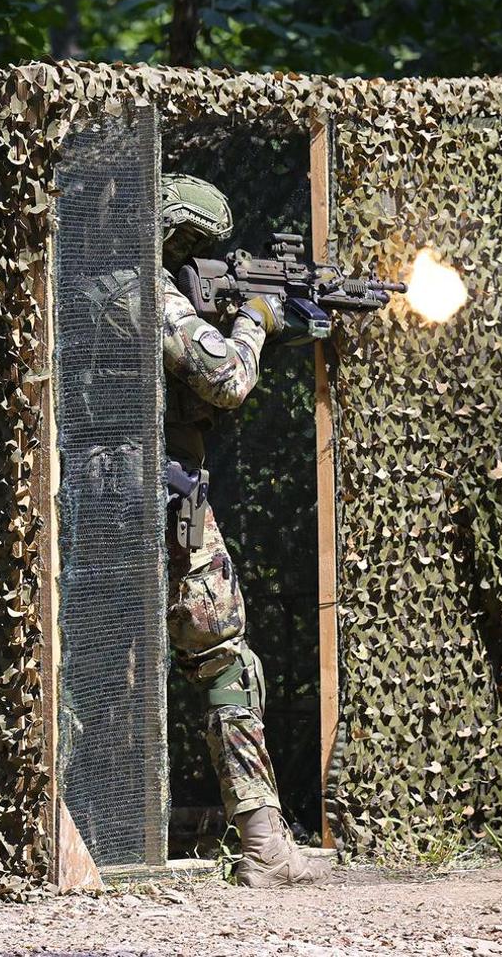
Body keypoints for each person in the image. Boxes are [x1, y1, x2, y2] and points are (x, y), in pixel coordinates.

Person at [157, 173, 330, 888]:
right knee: (226, 659)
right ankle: (262, 845)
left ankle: (268, 844)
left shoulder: (97, 280)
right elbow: (226, 375)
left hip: (120, 503)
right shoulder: (144, 291)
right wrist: (255, 318)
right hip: (156, 508)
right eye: (190, 246)